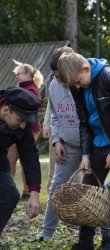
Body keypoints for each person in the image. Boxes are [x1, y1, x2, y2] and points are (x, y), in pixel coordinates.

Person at [58, 52, 110, 250]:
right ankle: (85, 244)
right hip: (96, 146)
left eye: (78, 82)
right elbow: (84, 123)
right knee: (88, 193)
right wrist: (85, 154)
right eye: (73, 85)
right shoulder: (77, 86)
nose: (77, 87)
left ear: (86, 69)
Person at [32, 46, 82, 242]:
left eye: (60, 74)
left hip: (90, 146)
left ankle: (106, 238)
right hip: (67, 145)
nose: (58, 79)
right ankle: (47, 234)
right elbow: (54, 116)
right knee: (56, 188)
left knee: (95, 189)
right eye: (55, 75)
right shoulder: (54, 85)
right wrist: (56, 140)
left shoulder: (82, 83)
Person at [0, 87, 41, 235]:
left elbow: (30, 155)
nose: (24, 125)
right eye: (21, 120)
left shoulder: (23, 123)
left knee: (10, 195)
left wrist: (34, 194)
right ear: (6, 110)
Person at [8, 60, 43, 200]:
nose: (17, 76)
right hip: (20, 128)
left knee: (20, 159)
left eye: (19, 74)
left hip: (28, 129)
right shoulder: (24, 88)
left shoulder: (31, 89)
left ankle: (26, 191)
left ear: (28, 74)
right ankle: (15, 189)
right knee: (13, 159)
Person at [42, 100, 55, 192]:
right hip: (55, 130)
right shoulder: (54, 85)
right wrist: (46, 125)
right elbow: (50, 105)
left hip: (76, 130)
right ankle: (52, 195)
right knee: (54, 167)